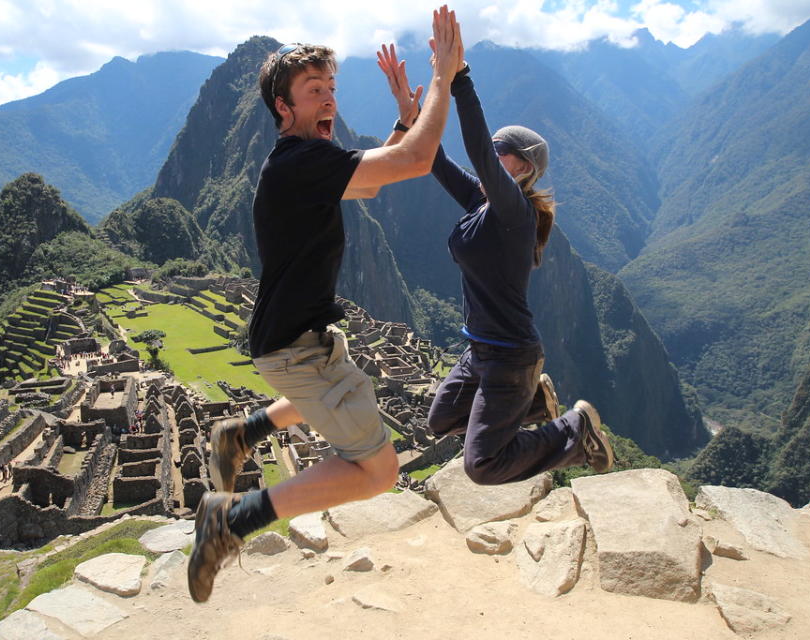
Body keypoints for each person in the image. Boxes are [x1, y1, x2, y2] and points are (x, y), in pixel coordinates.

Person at [188, 5, 464, 603]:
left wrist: (403, 117)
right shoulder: (300, 161)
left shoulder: (300, 164)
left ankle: (243, 431)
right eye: (315, 91)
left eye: (332, 88)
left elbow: (367, 180)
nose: (329, 100)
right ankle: (230, 521)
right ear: (283, 108)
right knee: (378, 471)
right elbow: (414, 163)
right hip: (293, 348)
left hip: (293, 339)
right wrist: (445, 77)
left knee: (332, 381)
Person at [377, 48, 614, 487]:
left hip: (509, 355)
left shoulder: (513, 211)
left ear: (522, 168)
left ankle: (573, 431)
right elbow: (433, 159)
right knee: (442, 421)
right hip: (480, 352)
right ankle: (533, 407)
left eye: (501, 155)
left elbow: (476, 147)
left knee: (481, 465)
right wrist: (409, 116)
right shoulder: (483, 200)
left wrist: (459, 77)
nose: (489, 160)